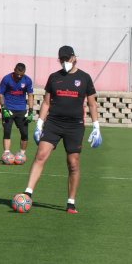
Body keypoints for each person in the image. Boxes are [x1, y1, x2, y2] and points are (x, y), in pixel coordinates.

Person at [22, 45, 102, 214]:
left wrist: (96, 127)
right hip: (54, 123)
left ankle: (71, 202)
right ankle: (28, 192)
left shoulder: (85, 78)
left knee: (73, 163)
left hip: (75, 126)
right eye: (62, 59)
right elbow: (46, 102)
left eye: (67, 59)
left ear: (74, 58)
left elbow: (92, 103)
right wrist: (39, 124)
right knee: (41, 155)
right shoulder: (54, 77)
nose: (65, 62)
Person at [0, 63, 34, 157]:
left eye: (21, 75)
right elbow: (0, 94)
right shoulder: (6, 79)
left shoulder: (28, 80)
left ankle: (22, 154)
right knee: (7, 131)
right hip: (8, 109)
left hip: (21, 109)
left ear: (24, 72)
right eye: (17, 74)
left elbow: (30, 95)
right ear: (14, 70)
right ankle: (7, 153)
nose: (19, 76)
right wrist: (4, 108)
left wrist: (30, 110)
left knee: (25, 133)